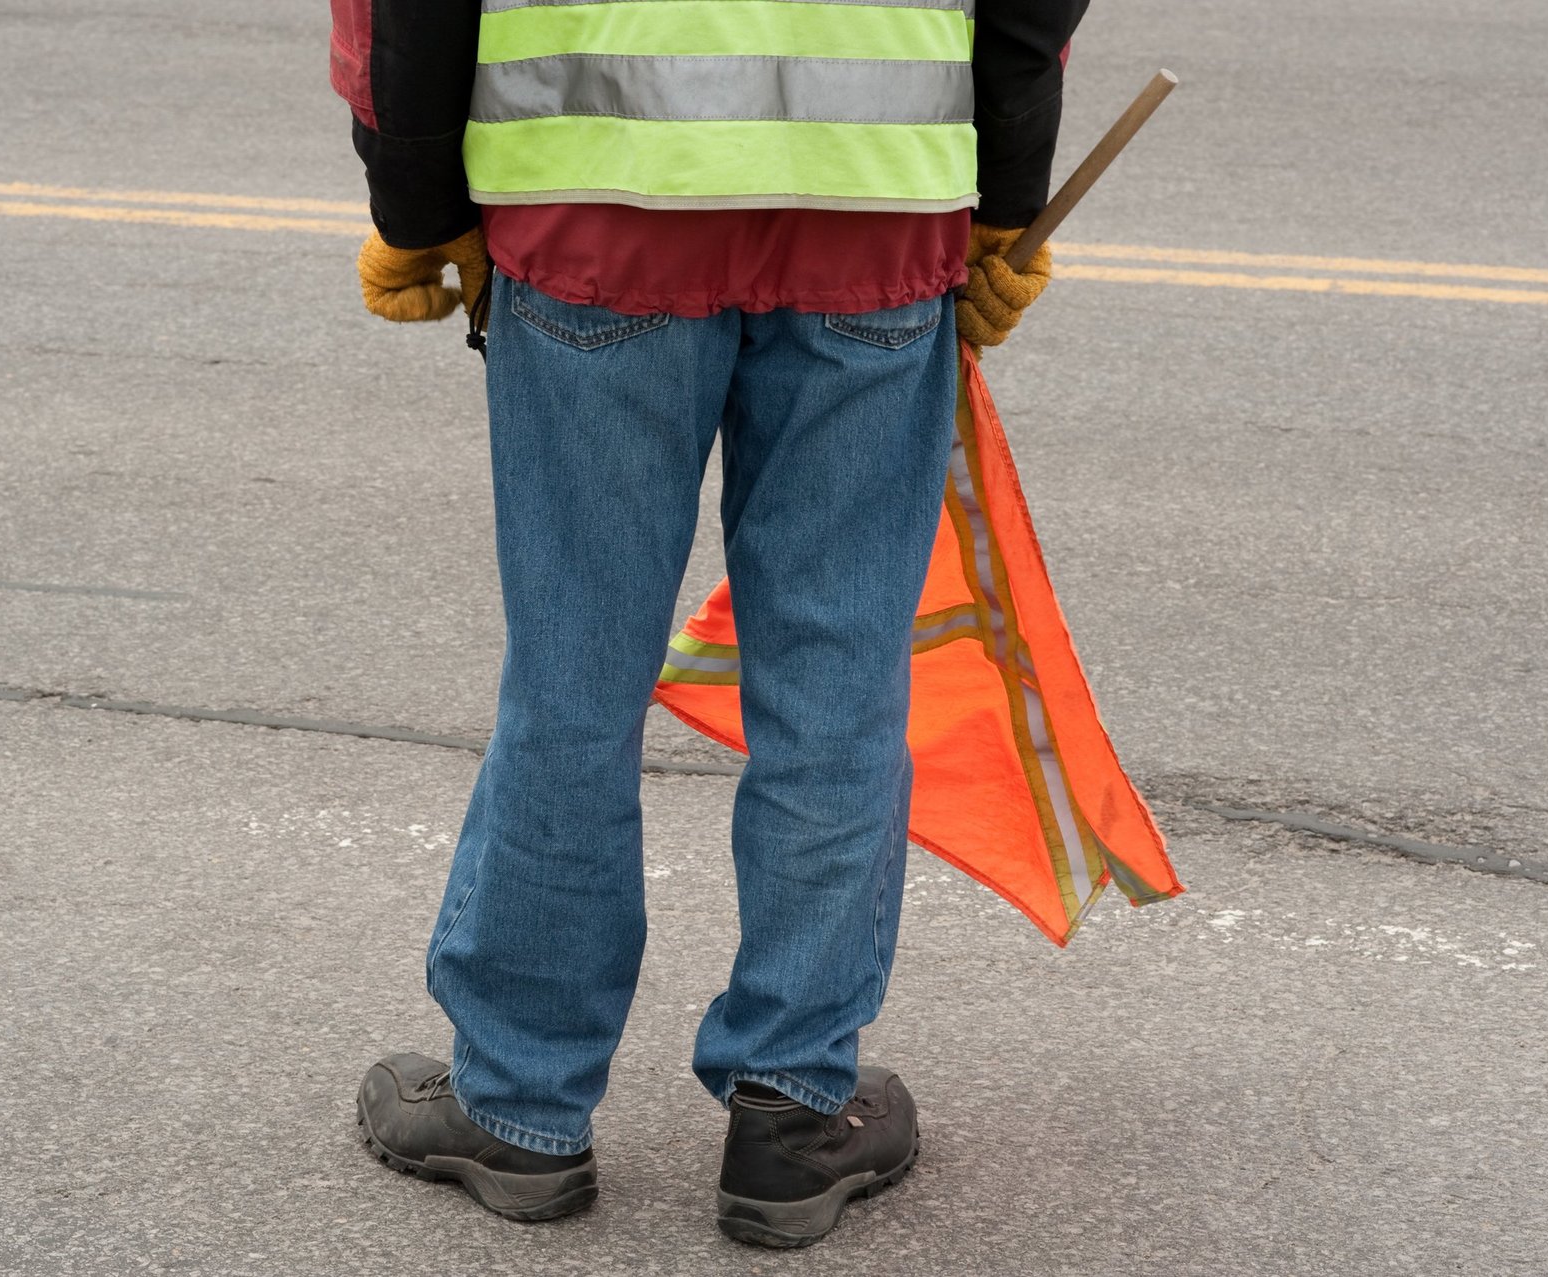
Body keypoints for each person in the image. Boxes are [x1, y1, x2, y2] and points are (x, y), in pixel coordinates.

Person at [331, 0, 1088, 1247]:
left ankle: (520, 1102)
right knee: (837, 677)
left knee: (573, 676)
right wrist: (1002, 194)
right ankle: (793, 1107)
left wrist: (414, 202)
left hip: (599, 209)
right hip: (873, 209)